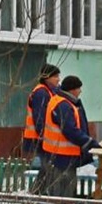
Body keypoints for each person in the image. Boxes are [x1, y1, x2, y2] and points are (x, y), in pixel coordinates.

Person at [41, 75, 98, 204]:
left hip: (59, 153)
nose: (80, 91)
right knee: (63, 187)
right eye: (79, 88)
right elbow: (70, 130)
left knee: (61, 186)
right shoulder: (63, 105)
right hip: (61, 154)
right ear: (72, 90)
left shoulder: (65, 102)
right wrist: (88, 142)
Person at [26, 64, 61, 195]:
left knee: (48, 168)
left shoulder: (48, 91)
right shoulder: (41, 93)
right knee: (48, 168)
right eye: (55, 76)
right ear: (47, 77)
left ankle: (37, 196)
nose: (58, 79)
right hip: (39, 137)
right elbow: (40, 117)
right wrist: (43, 135)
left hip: (43, 137)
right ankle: (34, 196)